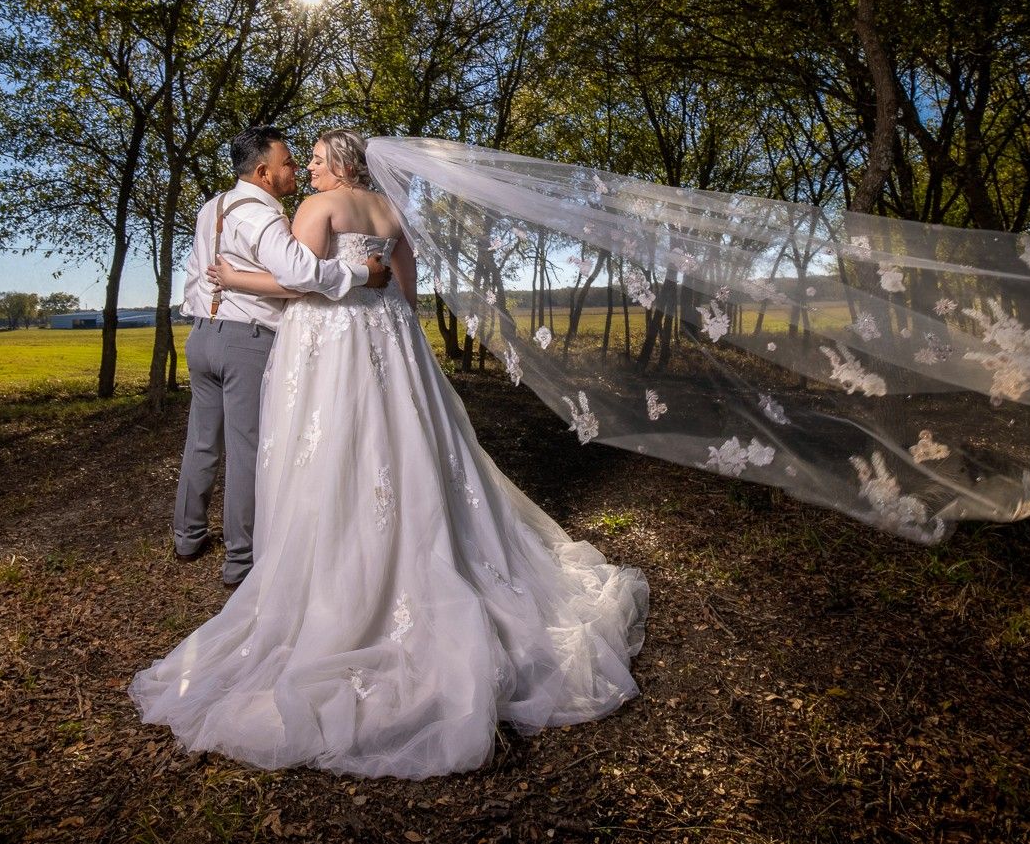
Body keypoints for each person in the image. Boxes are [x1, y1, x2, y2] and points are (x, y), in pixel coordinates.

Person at [131, 129, 649, 779]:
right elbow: (405, 292)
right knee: (409, 445)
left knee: (335, 448)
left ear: (339, 165)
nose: (308, 168)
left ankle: (337, 565)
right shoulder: (393, 211)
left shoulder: (315, 209)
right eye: (302, 160)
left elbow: (304, 286)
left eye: (315, 159)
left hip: (335, 342)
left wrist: (234, 277)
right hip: (393, 342)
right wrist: (388, 326)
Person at [173, 126, 392, 588]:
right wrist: (361, 272)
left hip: (202, 335)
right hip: (244, 340)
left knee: (202, 442)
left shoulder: (212, 208)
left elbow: (198, 273)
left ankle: (187, 537)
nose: (296, 169)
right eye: (289, 162)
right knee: (248, 450)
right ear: (264, 172)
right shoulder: (262, 215)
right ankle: (241, 561)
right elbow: (299, 273)